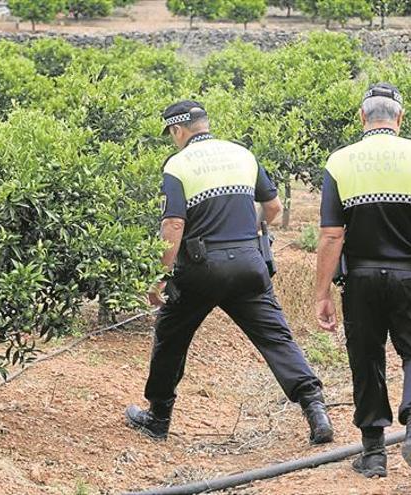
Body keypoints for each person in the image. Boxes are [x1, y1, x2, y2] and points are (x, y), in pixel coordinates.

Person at [125, 100, 334, 445]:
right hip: (249, 266)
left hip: (200, 269)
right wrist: (245, 232)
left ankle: (158, 417)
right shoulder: (242, 154)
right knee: (276, 338)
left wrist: (159, 275)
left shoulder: (177, 164)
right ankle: (315, 410)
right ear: (205, 124)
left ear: (177, 130)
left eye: (171, 134)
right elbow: (273, 207)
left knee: (171, 339)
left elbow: (174, 223)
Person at [313, 83, 411, 490]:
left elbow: (331, 236)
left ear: (362, 118)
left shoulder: (340, 161)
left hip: (361, 279)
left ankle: (373, 454)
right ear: (400, 119)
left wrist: (322, 293)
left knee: (366, 358)